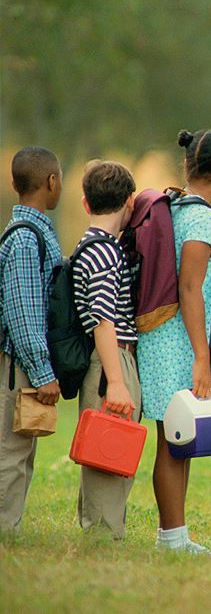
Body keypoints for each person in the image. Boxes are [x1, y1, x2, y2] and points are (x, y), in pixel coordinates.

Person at [138, 129, 211, 553]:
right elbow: (191, 286)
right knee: (174, 441)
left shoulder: (174, 206)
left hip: (160, 335)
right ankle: (172, 537)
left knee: (174, 437)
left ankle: (173, 534)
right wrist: (201, 356)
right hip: (178, 340)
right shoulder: (203, 218)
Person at [72, 160, 142, 538]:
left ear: (86, 203)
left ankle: (105, 528)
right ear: (130, 201)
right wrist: (115, 382)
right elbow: (103, 319)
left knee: (114, 447)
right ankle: (102, 534)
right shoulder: (102, 252)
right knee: (107, 451)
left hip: (114, 358)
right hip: (111, 359)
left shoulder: (100, 247)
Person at [0, 147, 63, 533]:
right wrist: (41, 372)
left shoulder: (32, 232)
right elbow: (23, 313)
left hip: (25, 362)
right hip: (20, 364)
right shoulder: (26, 239)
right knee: (11, 450)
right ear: (52, 182)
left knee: (21, 450)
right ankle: (5, 531)